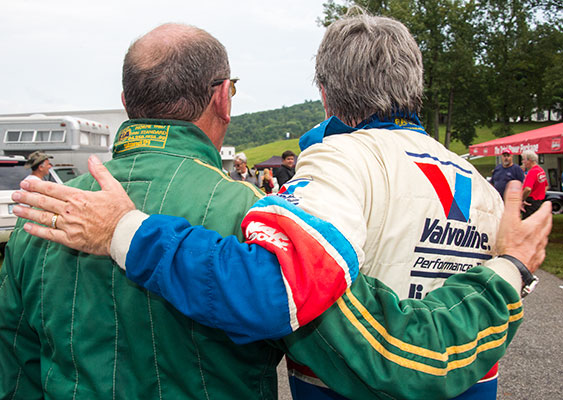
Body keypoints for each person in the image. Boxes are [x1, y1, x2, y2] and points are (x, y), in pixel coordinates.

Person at [11, 15, 552, 400]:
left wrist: (125, 230)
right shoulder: (486, 189)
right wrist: (512, 272)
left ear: (127, 102)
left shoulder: (43, 210)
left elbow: (16, 360)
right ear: (223, 97)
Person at [521, 150, 547, 219]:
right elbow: (546, 186)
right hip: (539, 202)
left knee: (527, 223)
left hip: (530, 203)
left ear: (529, 160)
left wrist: (522, 200)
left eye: (524, 159)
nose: (523, 162)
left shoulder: (532, 172)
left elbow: (528, 189)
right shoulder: (541, 170)